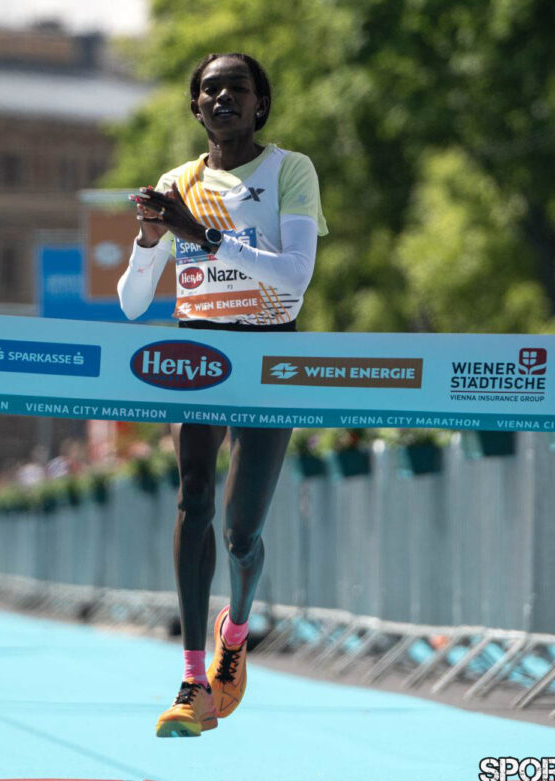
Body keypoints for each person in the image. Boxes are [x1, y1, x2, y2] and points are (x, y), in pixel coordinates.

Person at [117, 52, 327, 737]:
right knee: (194, 500)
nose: (224, 97)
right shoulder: (175, 184)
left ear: (260, 103)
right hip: (197, 356)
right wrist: (150, 240)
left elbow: (294, 278)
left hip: (268, 357)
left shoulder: (289, 170)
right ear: (195, 107)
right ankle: (190, 681)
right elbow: (131, 304)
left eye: (238, 87)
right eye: (211, 90)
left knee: (240, 534)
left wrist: (201, 234)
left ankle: (233, 634)